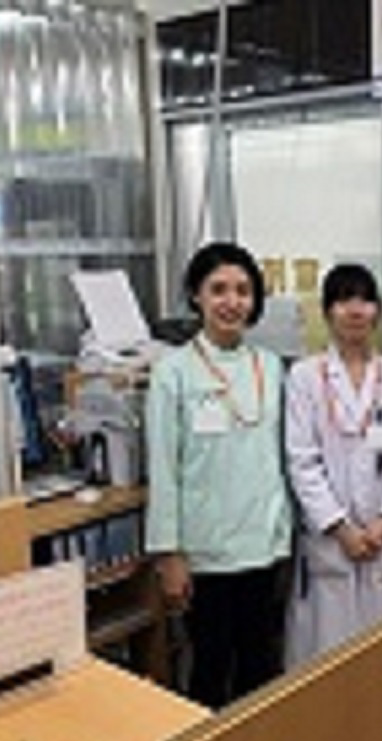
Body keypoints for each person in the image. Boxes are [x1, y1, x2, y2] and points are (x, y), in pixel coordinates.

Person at [145, 241, 292, 710]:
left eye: (243, 291)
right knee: (210, 669)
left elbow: (280, 457)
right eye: (219, 289)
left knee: (261, 667)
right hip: (205, 553)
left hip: (264, 545)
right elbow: (163, 467)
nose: (232, 302)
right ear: (196, 295)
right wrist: (169, 554)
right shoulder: (172, 373)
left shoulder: (270, 366)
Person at [285, 264, 382, 663]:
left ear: (377, 310)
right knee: (329, 653)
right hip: (332, 541)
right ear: (327, 311)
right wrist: (340, 528)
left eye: (364, 300)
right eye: (344, 300)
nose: (355, 310)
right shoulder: (305, 377)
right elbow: (302, 460)